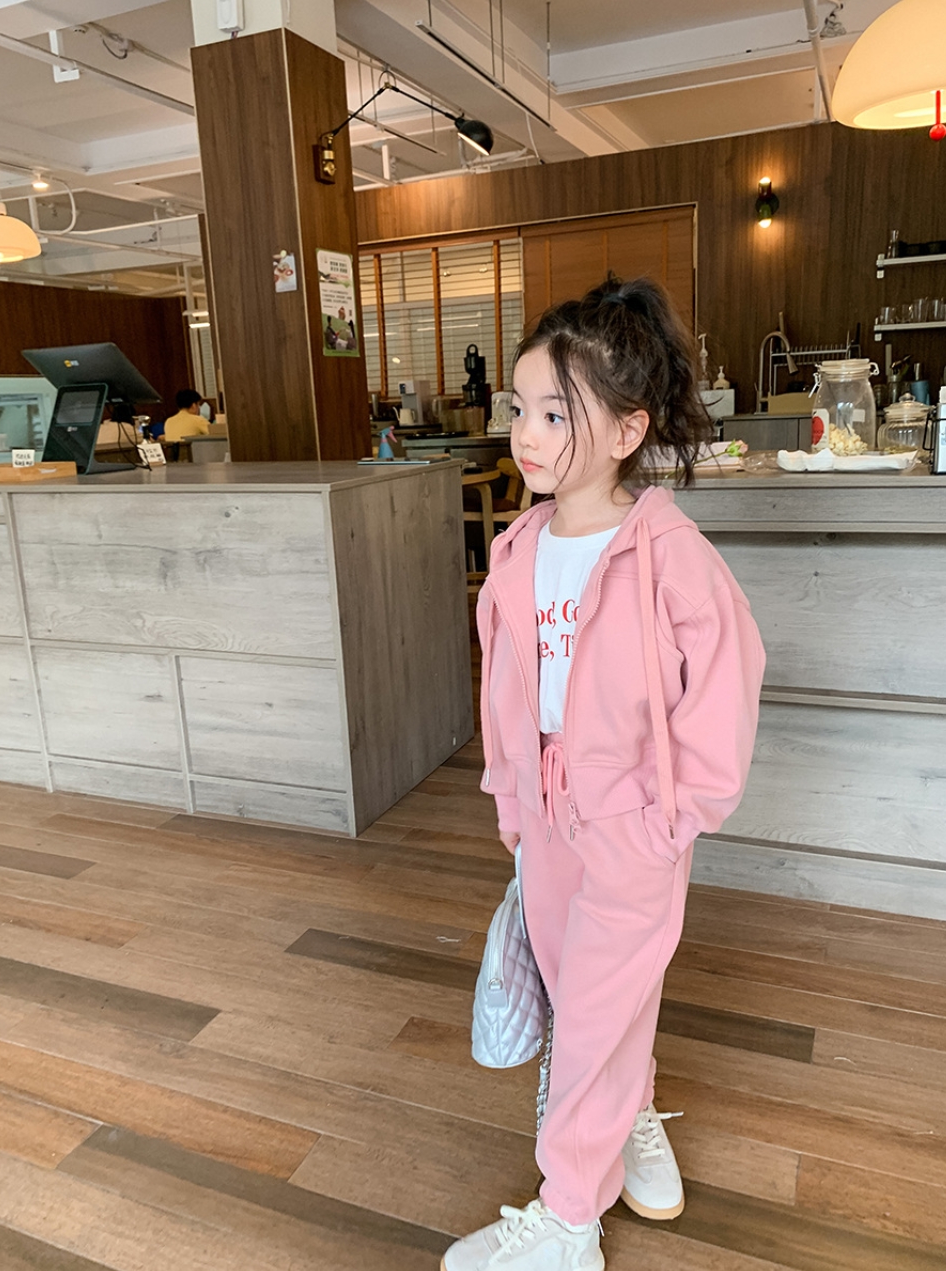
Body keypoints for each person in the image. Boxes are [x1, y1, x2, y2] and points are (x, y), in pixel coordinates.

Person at [443, 277, 765, 1271]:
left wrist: (677, 814)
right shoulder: (516, 551)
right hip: (545, 818)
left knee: (588, 1015)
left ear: (627, 430)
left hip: (633, 821)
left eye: (555, 414)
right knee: (581, 992)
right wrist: (510, 796)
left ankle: (567, 1219)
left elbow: (727, 678)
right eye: (519, 410)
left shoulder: (668, 554)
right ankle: (628, 1113)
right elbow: (505, 690)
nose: (525, 435)